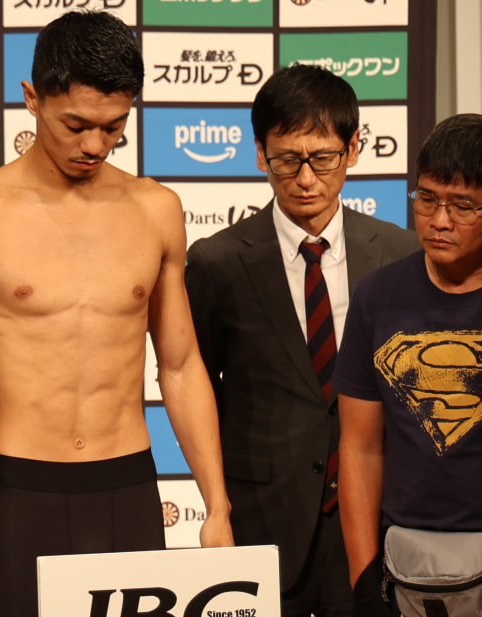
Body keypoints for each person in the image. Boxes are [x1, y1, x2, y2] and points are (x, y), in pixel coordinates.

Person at [0, 10, 234, 617]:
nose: (94, 146)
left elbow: (182, 365)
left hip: (129, 485)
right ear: (32, 98)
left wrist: (216, 504)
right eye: (76, 125)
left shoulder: (156, 209)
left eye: (114, 127)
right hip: (25, 487)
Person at [184, 64, 419, 617]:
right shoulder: (217, 262)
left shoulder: (401, 254)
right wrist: (216, 506)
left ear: (353, 149)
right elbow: (197, 388)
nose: (306, 178)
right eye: (287, 159)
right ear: (260, 154)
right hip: (261, 517)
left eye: (323, 158)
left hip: (377, 519)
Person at [334, 113, 482, 616]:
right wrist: (364, 582)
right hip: (407, 566)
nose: (439, 220)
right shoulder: (377, 296)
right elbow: (359, 448)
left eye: (462, 205)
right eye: (427, 199)